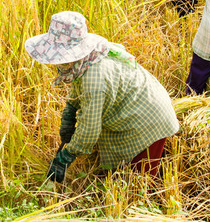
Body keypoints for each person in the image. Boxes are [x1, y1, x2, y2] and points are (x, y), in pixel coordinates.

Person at [25, 11, 179, 182]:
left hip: (148, 120)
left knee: (139, 181)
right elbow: (78, 85)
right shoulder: (88, 59)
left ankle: (144, 202)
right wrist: (70, 111)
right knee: (125, 177)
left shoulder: (94, 80)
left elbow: (89, 129)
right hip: (143, 107)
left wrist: (66, 156)